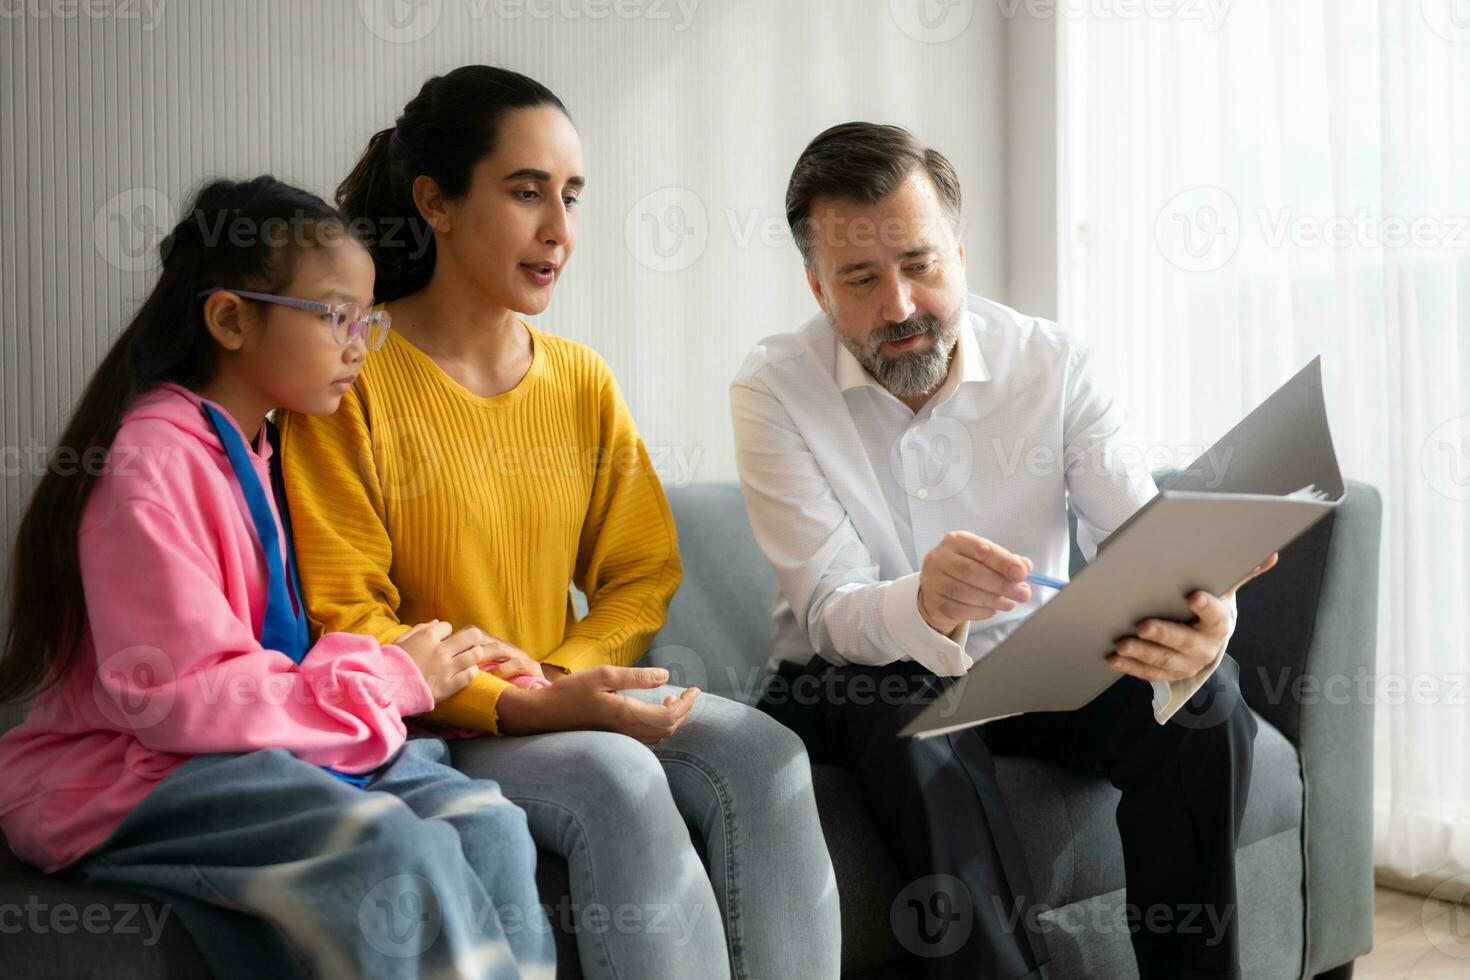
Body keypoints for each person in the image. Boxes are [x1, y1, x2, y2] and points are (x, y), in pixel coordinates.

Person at [279, 66, 840, 980]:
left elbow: (641, 569)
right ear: (437, 202)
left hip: (562, 696)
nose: (559, 231)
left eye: (572, 196)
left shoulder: (580, 379)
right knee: (617, 782)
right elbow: (349, 615)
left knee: (767, 753)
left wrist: (568, 677)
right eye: (526, 191)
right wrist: (522, 700)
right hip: (436, 728)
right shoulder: (347, 380)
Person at [731, 121, 1278, 980]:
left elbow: (1138, 540)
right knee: (895, 688)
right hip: (847, 678)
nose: (900, 307)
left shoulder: (1053, 363)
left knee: (1206, 704)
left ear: (959, 250)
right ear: (817, 287)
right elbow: (833, 610)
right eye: (862, 279)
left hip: (1036, 664)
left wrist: (1204, 618)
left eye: (920, 264)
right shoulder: (772, 389)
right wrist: (924, 602)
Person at [0, 177, 553, 980]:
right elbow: (179, 699)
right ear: (229, 319)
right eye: (336, 316)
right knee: (388, 849)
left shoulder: (258, 447)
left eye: (369, 319)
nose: (360, 344)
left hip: (239, 750)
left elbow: (278, 653)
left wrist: (437, 662)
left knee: (489, 823)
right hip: (137, 773)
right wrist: (394, 678)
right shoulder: (151, 461)